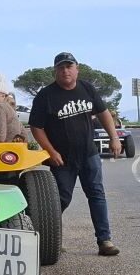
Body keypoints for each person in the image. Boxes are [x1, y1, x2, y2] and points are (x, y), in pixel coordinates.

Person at [29, 52, 121, 256]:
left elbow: (103, 112)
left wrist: (113, 137)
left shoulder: (87, 88)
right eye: (61, 68)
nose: (65, 71)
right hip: (62, 159)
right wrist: (50, 151)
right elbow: (36, 127)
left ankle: (104, 240)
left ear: (77, 69)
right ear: (55, 71)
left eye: (69, 66)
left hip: (89, 154)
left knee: (97, 195)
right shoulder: (46, 95)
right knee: (59, 200)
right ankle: (47, 240)